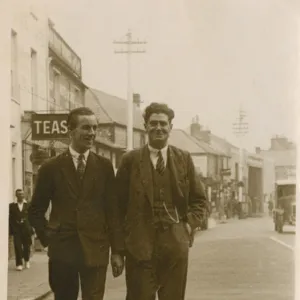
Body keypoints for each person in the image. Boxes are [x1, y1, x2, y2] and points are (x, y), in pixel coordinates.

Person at [29, 107, 124, 300]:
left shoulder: (104, 167)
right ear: (70, 131)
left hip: (96, 250)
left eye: (94, 128)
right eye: (86, 128)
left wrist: (117, 251)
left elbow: (113, 212)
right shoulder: (51, 168)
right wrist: (48, 239)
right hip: (62, 252)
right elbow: (35, 211)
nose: (92, 133)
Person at [115, 102, 207, 300]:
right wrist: (119, 249)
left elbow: (200, 201)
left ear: (170, 127)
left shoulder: (183, 158)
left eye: (163, 124)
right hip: (140, 248)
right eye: (153, 123)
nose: (158, 128)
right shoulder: (130, 160)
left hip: (175, 247)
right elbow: (117, 206)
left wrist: (188, 227)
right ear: (146, 126)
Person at [9, 189, 33, 271]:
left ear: (24, 195)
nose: (21, 196)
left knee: (26, 246)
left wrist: (32, 228)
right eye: (19, 194)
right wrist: (11, 230)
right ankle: (19, 264)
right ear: (16, 196)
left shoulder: (28, 205)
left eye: (22, 194)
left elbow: (31, 218)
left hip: (26, 229)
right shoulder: (12, 206)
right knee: (17, 246)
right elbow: (10, 219)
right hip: (17, 230)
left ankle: (26, 260)